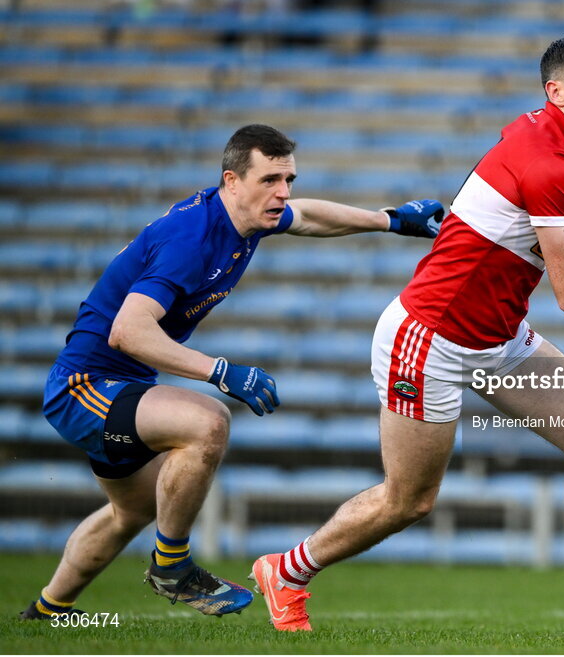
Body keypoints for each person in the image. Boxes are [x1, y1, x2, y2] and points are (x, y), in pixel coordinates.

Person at [251, 35, 564, 638]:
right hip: (429, 340)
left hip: (499, 340)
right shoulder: (549, 162)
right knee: (409, 501)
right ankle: (286, 572)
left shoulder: (562, 150)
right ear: (558, 93)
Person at [19, 124, 444, 621]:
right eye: (270, 180)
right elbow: (128, 332)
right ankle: (171, 566)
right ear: (232, 180)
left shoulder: (246, 218)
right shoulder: (191, 239)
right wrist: (220, 371)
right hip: (85, 387)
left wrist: (389, 221)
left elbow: (308, 216)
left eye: (288, 178)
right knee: (207, 423)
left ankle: (47, 613)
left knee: (130, 512)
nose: (282, 192)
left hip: (125, 387)